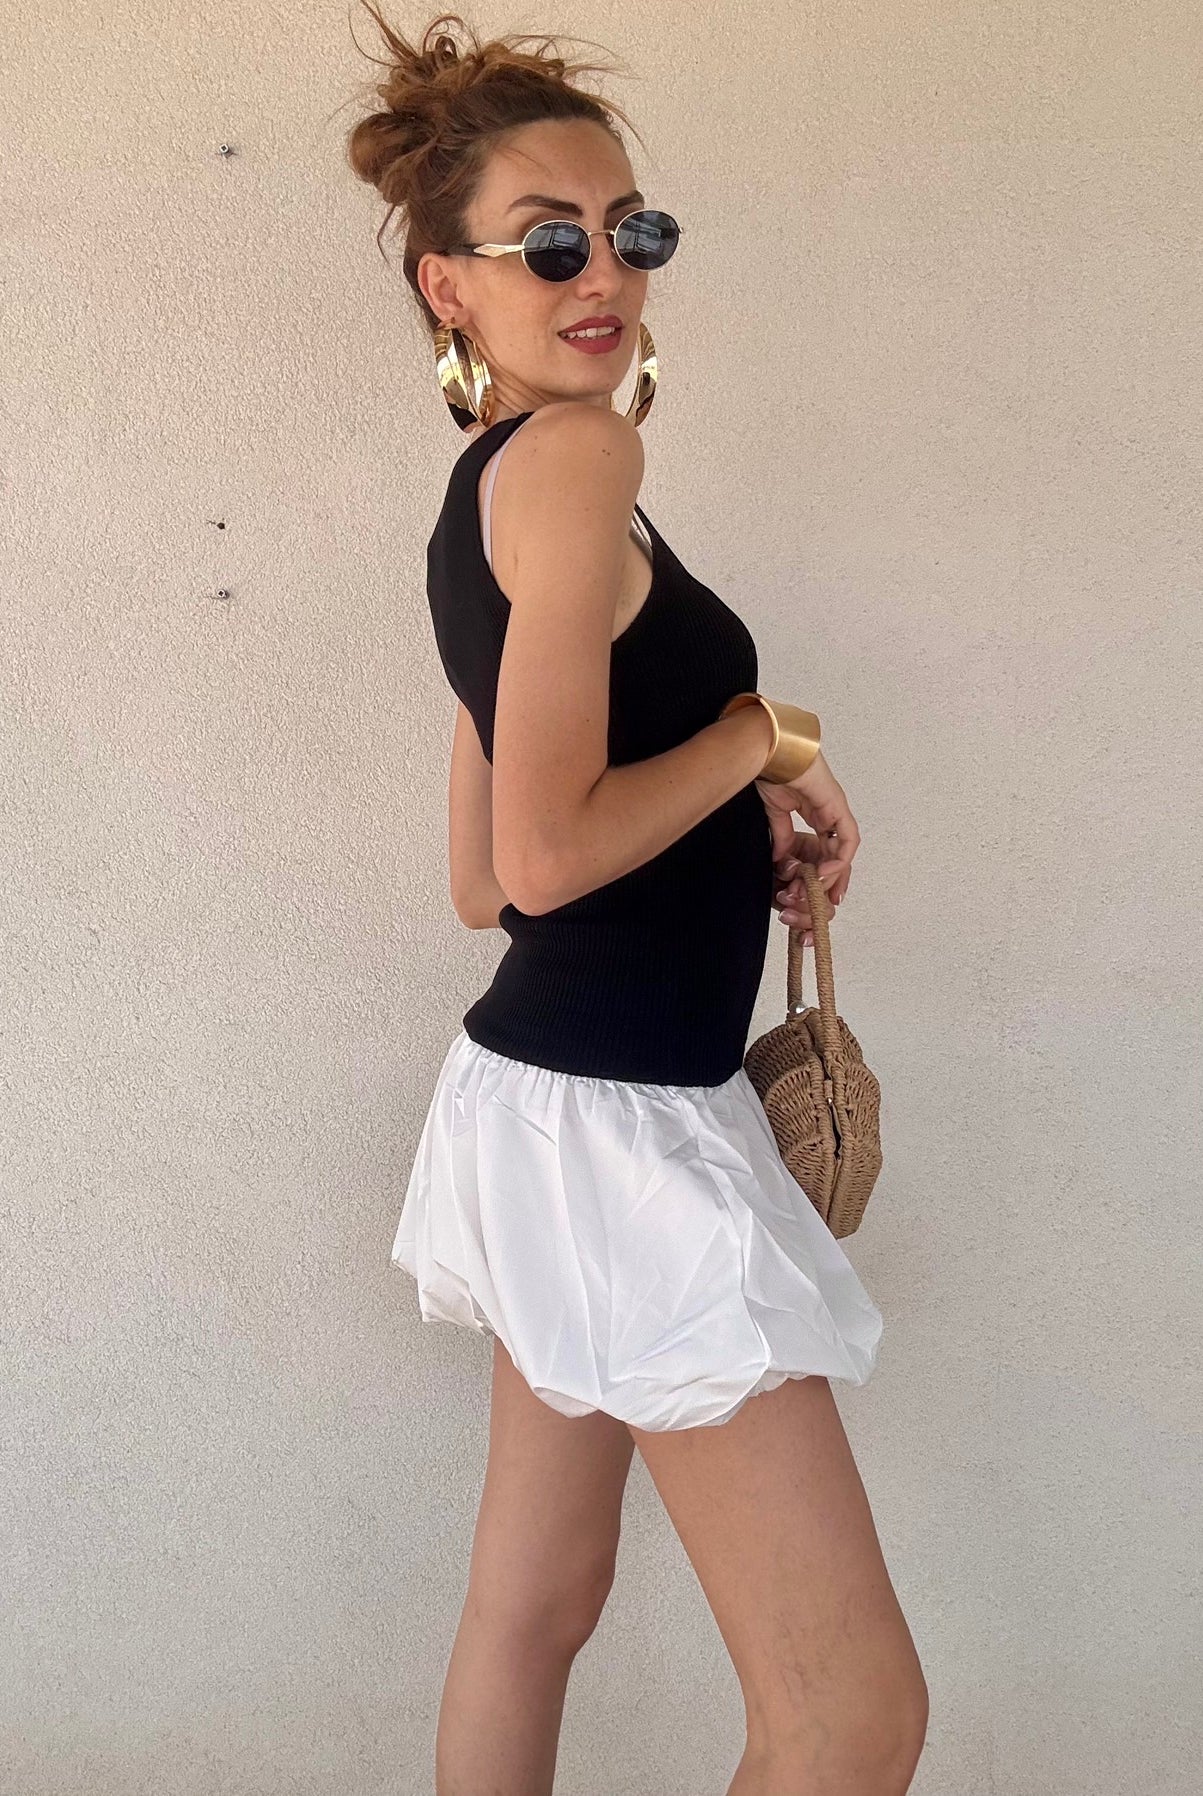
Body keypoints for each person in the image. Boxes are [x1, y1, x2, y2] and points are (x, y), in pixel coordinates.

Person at [345, 11, 928, 1793]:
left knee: (535, 1609)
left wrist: (725, 818)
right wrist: (761, 735)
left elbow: (485, 880)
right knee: (853, 1717)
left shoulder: (490, 491)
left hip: (547, 1103)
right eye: (549, 242)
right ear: (451, 283)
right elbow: (539, 864)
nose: (602, 273)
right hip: (618, 1129)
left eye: (632, 231)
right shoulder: (584, 463)